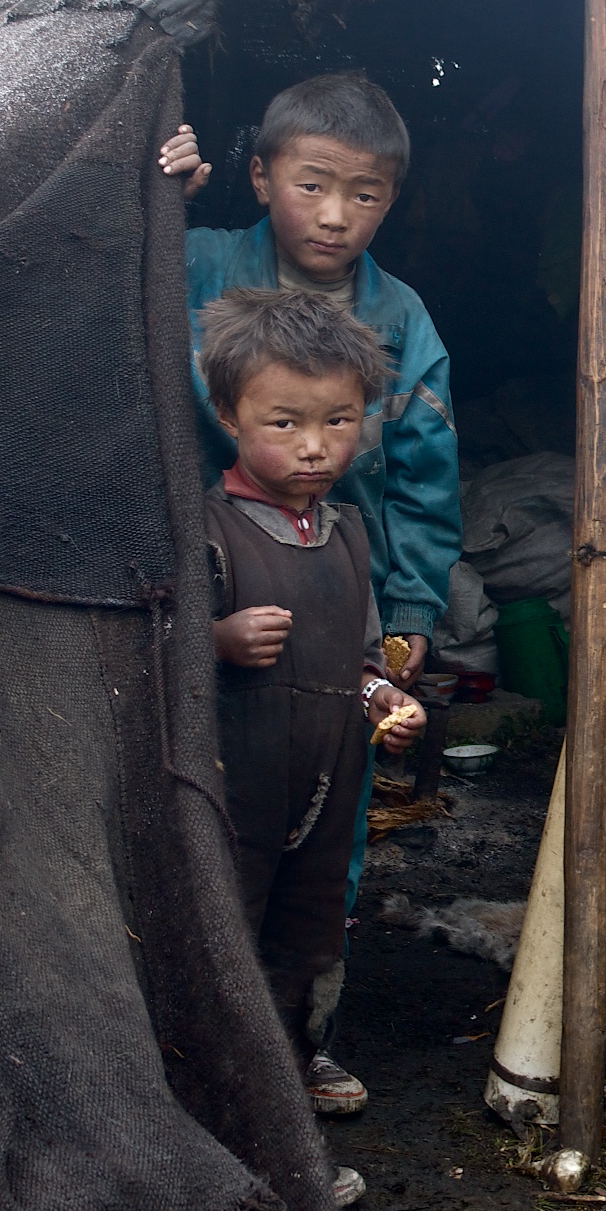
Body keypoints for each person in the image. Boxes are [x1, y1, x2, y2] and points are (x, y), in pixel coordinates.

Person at [161, 71, 462, 1115]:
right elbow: (91, 267)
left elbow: (424, 472)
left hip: (341, 583)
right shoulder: (195, 259)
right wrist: (158, 186)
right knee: (200, 808)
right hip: (216, 574)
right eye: (312, 184)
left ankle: (302, 1036)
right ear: (260, 175)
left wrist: (411, 612)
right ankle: (195, 1033)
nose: (336, 215)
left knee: (328, 814)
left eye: (366, 194)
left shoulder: (400, 316)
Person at [201, 287, 425, 1206]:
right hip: (232, 791)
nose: (314, 445)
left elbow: (362, 656)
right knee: (225, 939)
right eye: (284, 421)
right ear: (228, 415)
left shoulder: (347, 534)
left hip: (328, 788)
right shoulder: (204, 528)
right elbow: (144, 651)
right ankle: (219, 1123)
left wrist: (385, 697)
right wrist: (215, 641)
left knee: (306, 937)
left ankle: (287, 1099)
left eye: (339, 421)